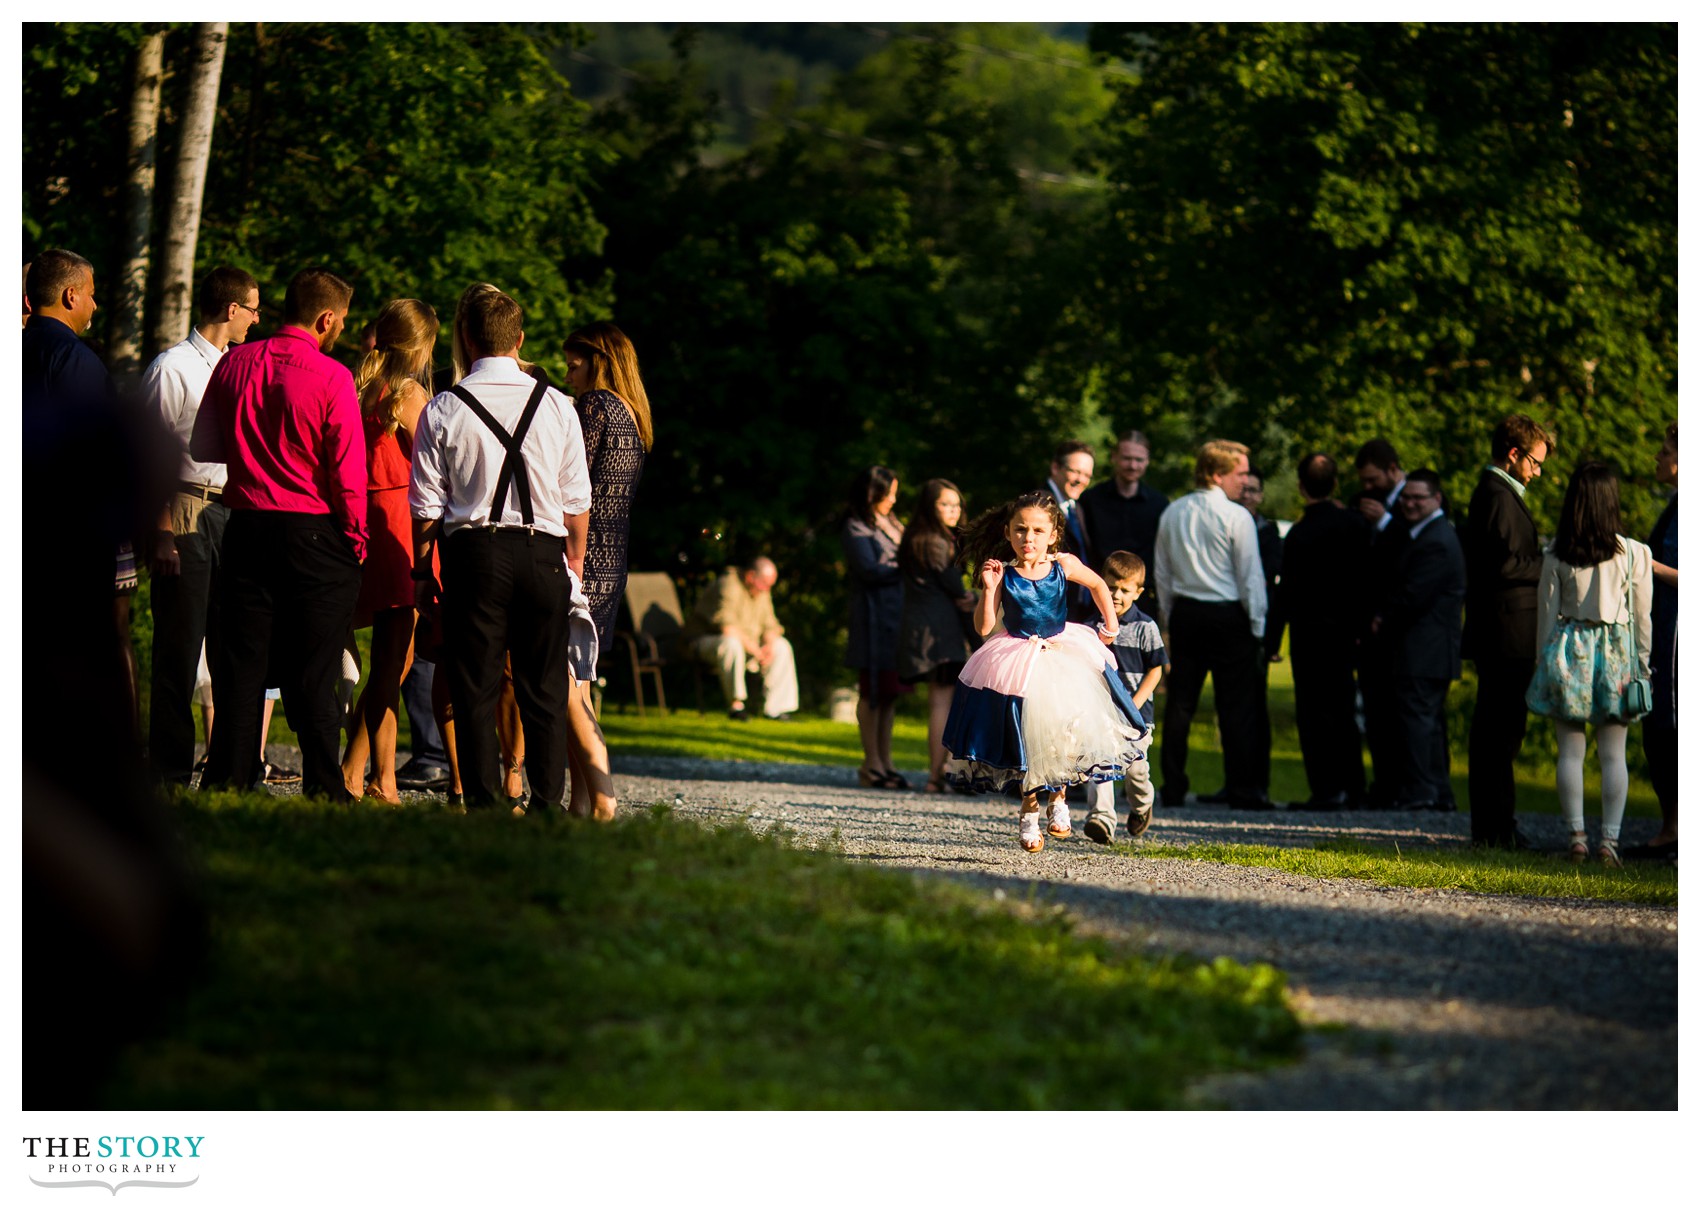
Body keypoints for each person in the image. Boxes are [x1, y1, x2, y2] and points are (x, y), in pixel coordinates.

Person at [409, 285, 608, 816]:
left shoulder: (443, 407)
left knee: (474, 686)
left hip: (474, 557)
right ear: (519, 340)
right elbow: (577, 504)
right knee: (542, 688)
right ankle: (545, 804)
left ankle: (484, 805)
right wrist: (574, 567)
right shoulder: (560, 406)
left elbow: (427, 508)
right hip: (545, 555)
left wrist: (423, 575)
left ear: (468, 339)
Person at [190, 267, 367, 799]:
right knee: (314, 665)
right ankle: (323, 784)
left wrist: (254, 449)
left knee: (242, 663)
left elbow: (204, 447)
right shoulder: (333, 376)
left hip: (246, 527)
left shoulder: (234, 363)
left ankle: (229, 778)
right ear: (326, 318)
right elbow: (347, 473)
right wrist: (356, 539)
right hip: (312, 530)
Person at [941, 492, 1146, 851]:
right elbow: (985, 627)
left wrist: (1110, 626)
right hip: (1018, 659)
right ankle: (1029, 810)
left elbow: (1098, 584)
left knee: (1065, 731)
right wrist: (989, 590)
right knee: (1029, 737)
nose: (1028, 538)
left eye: (1037, 530)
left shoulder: (1063, 565)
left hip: (1062, 652)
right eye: (1021, 530)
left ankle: (1060, 800)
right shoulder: (1004, 574)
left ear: (1053, 534)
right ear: (1007, 533)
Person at [140, 266, 263, 786]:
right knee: (180, 644)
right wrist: (162, 531)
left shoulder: (241, 366)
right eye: (254, 309)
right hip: (188, 505)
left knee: (236, 644)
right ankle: (168, 769)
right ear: (231, 310)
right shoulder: (173, 368)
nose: (258, 320)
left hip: (236, 509)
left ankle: (230, 768)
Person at [1525, 463, 1653, 866]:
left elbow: (1545, 618)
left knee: (1570, 752)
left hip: (1568, 651)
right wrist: (1643, 666)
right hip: (1617, 656)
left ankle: (1577, 837)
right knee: (1614, 754)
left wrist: (1540, 665)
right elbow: (1643, 618)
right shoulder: (1635, 553)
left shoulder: (1556, 553)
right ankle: (1609, 843)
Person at [337, 299, 440, 803]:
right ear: (420, 346)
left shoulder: (362, 385)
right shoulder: (408, 391)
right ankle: (357, 772)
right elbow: (436, 461)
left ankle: (383, 776)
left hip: (369, 518)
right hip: (399, 522)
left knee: (391, 659)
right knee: (395, 661)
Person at [1152, 439, 1270, 811]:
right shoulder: (1237, 516)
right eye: (1241, 473)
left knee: (1181, 704)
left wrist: (1170, 618)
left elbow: (1162, 572)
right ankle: (1243, 790)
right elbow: (1250, 577)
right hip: (1229, 615)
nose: (1245, 480)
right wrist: (1257, 625)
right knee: (1237, 705)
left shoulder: (1174, 511)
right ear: (1218, 474)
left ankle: (1173, 787)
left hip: (1188, 613)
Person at [1462, 414, 1553, 847]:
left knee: (1499, 733)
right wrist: (1550, 562)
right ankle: (1496, 829)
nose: (1538, 473)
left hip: (1504, 627)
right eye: (1535, 463)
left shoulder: (1498, 493)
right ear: (1514, 455)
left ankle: (1497, 825)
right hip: (1506, 631)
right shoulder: (1498, 495)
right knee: (1500, 734)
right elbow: (1505, 564)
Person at [1267, 454, 1372, 810]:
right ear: (1336, 484)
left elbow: (1286, 591)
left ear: (1300, 486)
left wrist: (1272, 640)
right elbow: (1365, 581)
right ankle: (1355, 788)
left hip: (1309, 635)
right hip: (1345, 634)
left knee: (1312, 714)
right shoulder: (1355, 525)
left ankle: (1325, 789)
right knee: (1344, 712)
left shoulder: (1299, 534)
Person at [1369, 469, 1465, 812]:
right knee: (1429, 723)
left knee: (1419, 723)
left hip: (1425, 649)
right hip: (1427, 650)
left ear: (1436, 499)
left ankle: (1422, 791)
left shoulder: (1436, 540)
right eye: (1406, 497)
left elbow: (1413, 596)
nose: (1409, 504)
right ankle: (1437, 792)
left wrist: (1382, 619)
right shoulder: (1428, 534)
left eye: (1417, 498)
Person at [561, 322, 653, 663]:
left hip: (582, 554)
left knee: (563, 675)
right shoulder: (632, 412)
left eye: (573, 367)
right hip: (613, 560)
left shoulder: (596, 405)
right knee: (582, 670)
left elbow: (572, 479)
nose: (569, 378)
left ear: (599, 360)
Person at [897, 478, 977, 793]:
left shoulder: (916, 537)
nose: (953, 511)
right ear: (930, 507)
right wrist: (971, 597)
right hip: (939, 630)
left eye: (956, 504)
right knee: (942, 701)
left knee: (940, 700)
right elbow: (955, 589)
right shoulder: (934, 541)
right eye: (945, 504)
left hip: (926, 628)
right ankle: (936, 775)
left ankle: (940, 772)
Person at [1082, 551, 1165, 843]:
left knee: (1136, 772)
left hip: (1137, 717)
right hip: (1102, 715)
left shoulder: (1146, 627)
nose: (1116, 595)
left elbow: (1156, 671)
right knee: (1100, 763)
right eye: (1111, 587)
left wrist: (1133, 706)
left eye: (1125, 590)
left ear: (1138, 592)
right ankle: (1101, 820)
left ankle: (1142, 805)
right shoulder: (1092, 627)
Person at [1626, 424, 1677, 862]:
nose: (1657, 458)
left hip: (1677, 636)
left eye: (1664, 451)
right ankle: (1669, 828)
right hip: (1661, 630)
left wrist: (1643, 561)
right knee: (1658, 727)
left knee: (1672, 727)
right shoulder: (1675, 505)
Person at [1354, 438, 1414, 807]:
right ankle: (1385, 783)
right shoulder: (1365, 502)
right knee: (1375, 710)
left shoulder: (1416, 500)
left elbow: (1414, 549)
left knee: (1403, 712)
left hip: (1403, 624)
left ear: (1393, 469)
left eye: (1374, 479)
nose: (1368, 487)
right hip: (1372, 624)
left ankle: (1407, 786)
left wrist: (1386, 522)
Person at [842, 466, 910, 787]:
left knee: (889, 693)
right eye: (889, 492)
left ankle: (885, 759)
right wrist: (908, 564)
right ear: (873, 494)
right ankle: (870, 764)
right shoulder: (856, 528)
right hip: (872, 618)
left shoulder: (893, 523)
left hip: (897, 617)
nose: (893, 499)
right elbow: (870, 570)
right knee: (871, 690)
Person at [683, 558, 800, 721]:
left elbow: (770, 624)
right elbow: (726, 627)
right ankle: (736, 706)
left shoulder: (762, 591)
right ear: (751, 576)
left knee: (782, 646)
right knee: (731, 644)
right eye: (765, 583)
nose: (767, 589)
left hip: (746, 645)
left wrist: (769, 645)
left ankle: (776, 710)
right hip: (703, 643)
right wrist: (757, 651)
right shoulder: (728, 584)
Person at [1078, 429, 1169, 612]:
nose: (1133, 465)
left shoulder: (1160, 504)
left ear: (1148, 461)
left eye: (1139, 460)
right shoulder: (1090, 500)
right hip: (1097, 598)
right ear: (1114, 457)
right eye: (1127, 459)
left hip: (1143, 600)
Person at [1043, 440, 1097, 619]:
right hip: (1050, 610)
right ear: (1056, 468)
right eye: (1075, 471)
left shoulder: (1077, 508)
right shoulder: (1039, 503)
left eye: (1087, 475)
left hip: (1078, 610)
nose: (1081, 480)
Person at [1353, 438, 1408, 533]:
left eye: (1372, 480)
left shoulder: (1419, 500)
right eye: (1363, 481)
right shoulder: (1361, 499)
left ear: (1392, 469)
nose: (1367, 486)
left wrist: (1384, 520)